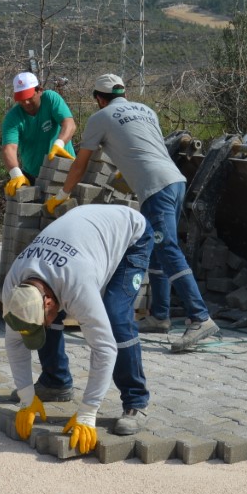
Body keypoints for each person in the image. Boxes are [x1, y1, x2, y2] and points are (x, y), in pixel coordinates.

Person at [45, 73, 219, 353]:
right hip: (174, 181)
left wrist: (63, 194)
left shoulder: (100, 118)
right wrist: (124, 174)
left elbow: (81, 163)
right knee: (156, 248)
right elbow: (143, 148)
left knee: (168, 249)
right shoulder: (145, 110)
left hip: (155, 188)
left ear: (99, 99)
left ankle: (200, 317)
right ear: (123, 94)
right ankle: (160, 316)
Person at [2, 204, 154, 447]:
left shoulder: (77, 285)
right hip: (83, 237)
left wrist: (87, 412)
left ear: (49, 301)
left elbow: (104, 349)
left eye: (47, 313)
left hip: (131, 235)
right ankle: (55, 382)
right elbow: (14, 342)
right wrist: (26, 397)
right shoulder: (14, 289)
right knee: (44, 322)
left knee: (116, 319)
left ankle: (136, 401)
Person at [1, 71, 75, 197]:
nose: (26, 103)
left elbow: (69, 123)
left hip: (65, 170)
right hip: (34, 175)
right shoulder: (13, 117)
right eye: (21, 99)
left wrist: (59, 144)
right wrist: (16, 174)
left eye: (29, 97)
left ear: (39, 90)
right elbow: (9, 148)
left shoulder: (50, 99)